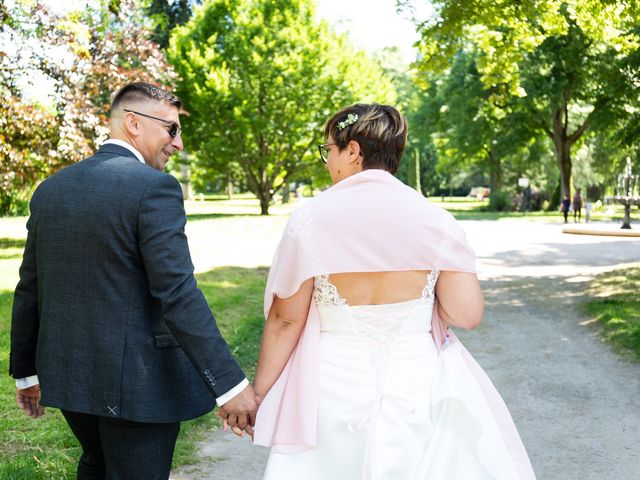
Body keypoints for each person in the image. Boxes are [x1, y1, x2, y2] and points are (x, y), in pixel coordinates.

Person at [246, 104, 536, 479]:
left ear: (352, 151)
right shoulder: (436, 219)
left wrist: (260, 395)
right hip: (415, 383)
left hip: (332, 385)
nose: (326, 161)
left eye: (328, 150)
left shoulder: (310, 219)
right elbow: (468, 313)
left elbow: (286, 319)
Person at [10, 82, 258, 479]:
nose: (177, 144)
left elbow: (29, 287)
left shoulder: (51, 190)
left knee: (96, 464)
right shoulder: (154, 188)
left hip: (72, 379)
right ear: (133, 124)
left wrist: (27, 373)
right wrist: (230, 386)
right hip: (140, 387)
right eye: (172, 129)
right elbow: (177, 292)